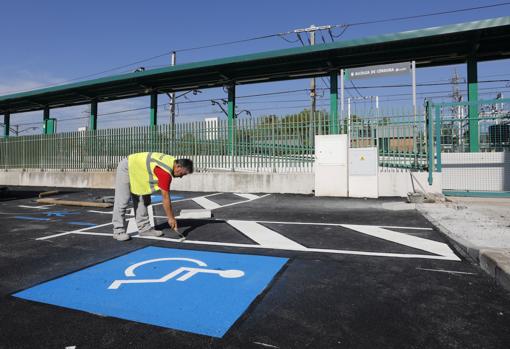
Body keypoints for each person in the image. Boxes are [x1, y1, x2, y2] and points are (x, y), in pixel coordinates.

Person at [112, 152, 193, 241]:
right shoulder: (165, 173)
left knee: (143, 198)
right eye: (182, 174)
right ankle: (118, 231)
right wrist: (171, 218)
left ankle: (144, 229)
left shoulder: (171, 161)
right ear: (178, 167)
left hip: (140, 171)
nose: (181, 177)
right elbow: (165, 197)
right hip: (128, 167)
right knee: (122, 200)